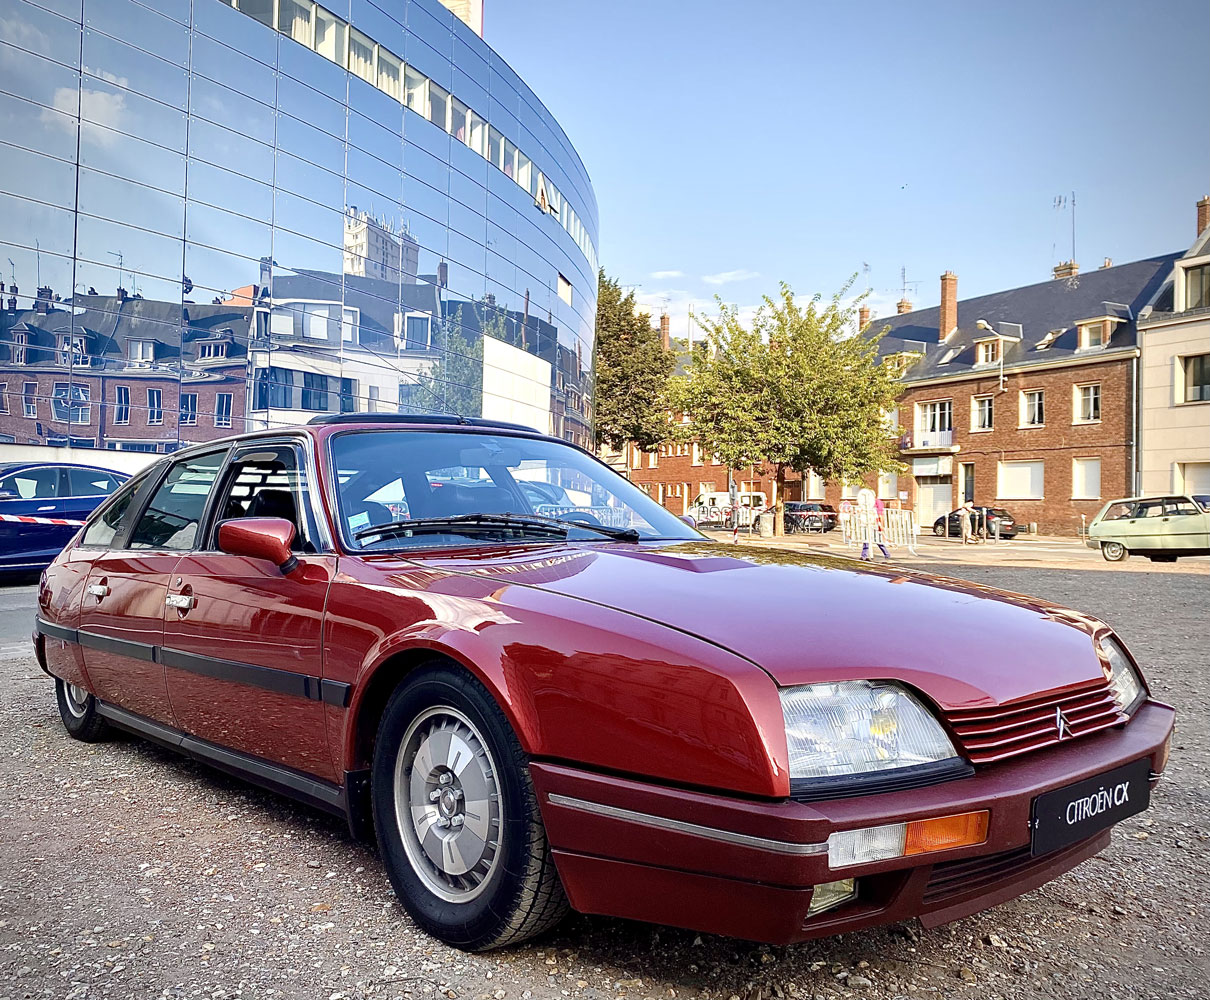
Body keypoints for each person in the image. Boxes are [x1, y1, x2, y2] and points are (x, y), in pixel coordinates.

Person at [856, 488, 891, 560]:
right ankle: (864, 555)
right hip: (867, 523)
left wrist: (881, 525)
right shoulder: (865, 503)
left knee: (877, 539)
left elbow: (880, 514)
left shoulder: (877, 502)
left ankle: (886, 553)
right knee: (866, 539)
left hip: (874, 523)